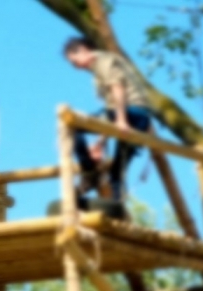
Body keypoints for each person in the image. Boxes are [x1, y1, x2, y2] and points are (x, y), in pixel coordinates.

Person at [63, 37, 152, 215]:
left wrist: (121, 120)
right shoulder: (97, 71)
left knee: (72, 126)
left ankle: (89, 171)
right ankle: (117, 213)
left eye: (74, 62)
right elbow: (109, 111)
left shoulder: (103, 60)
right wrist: (101, 143)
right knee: (117, 173)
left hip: (131, 112)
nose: (76, 67)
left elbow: (117, 88)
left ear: (82, 50)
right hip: (139, 117)